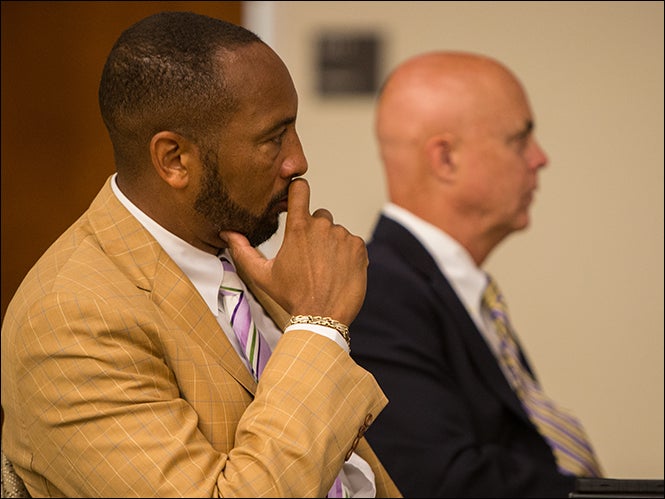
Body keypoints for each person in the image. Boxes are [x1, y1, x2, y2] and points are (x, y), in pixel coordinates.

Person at [0, 11, 401, 498]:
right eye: (273, 138)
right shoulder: (70, 315)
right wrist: (318, 324)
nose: (298, 160)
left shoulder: (233, 249)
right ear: (174, 160)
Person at [350, 51, 604, 498]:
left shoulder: (451, 289)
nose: (539, 159)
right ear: (446, 159)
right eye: (520, 139)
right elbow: (445, 482)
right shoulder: (378, 295)